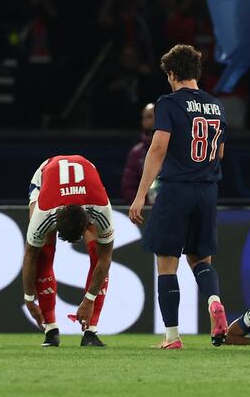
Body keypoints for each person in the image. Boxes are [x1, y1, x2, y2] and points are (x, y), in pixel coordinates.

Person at [129, 44, 228, 350]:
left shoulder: (169, 103)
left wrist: (140, 194)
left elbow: (158, 148)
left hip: (176, 189)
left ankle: (172, 336)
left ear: (172, 74)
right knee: (201, 259)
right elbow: (220, 152)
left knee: (167, 264)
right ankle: (214, 301)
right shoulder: (215, 104)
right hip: (208, 190)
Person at [23, 154, 116, 348]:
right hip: (45, 179)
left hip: (87, 188)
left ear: (87, 224)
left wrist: (89, 300)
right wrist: (29, 299)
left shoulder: (100, 207)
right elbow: (30, 255)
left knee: (97, 255)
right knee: (43, 254)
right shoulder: (44, 212)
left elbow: (106, 258)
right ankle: (51, 329)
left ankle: (91, 331)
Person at [119, 103, 155, 203]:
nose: (151, 120)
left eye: (153, 116)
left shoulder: (173, 148)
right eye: (147, 117)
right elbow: (129, 186)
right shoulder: (136, 153)